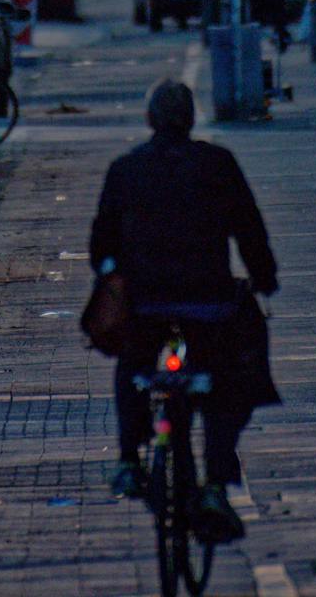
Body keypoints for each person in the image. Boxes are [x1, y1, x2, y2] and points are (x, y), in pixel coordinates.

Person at [89, 78, 279, 543]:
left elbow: (101, 245)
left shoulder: (125, 170)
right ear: (191, 119)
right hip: (208, 303)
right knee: (224, 379)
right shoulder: (217, 164)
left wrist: (114, 273)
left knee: (134, 364)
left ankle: (130, 460)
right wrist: (264, 276)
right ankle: (215, 483)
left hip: (146, 305)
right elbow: (248, 229)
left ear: (150, 119)